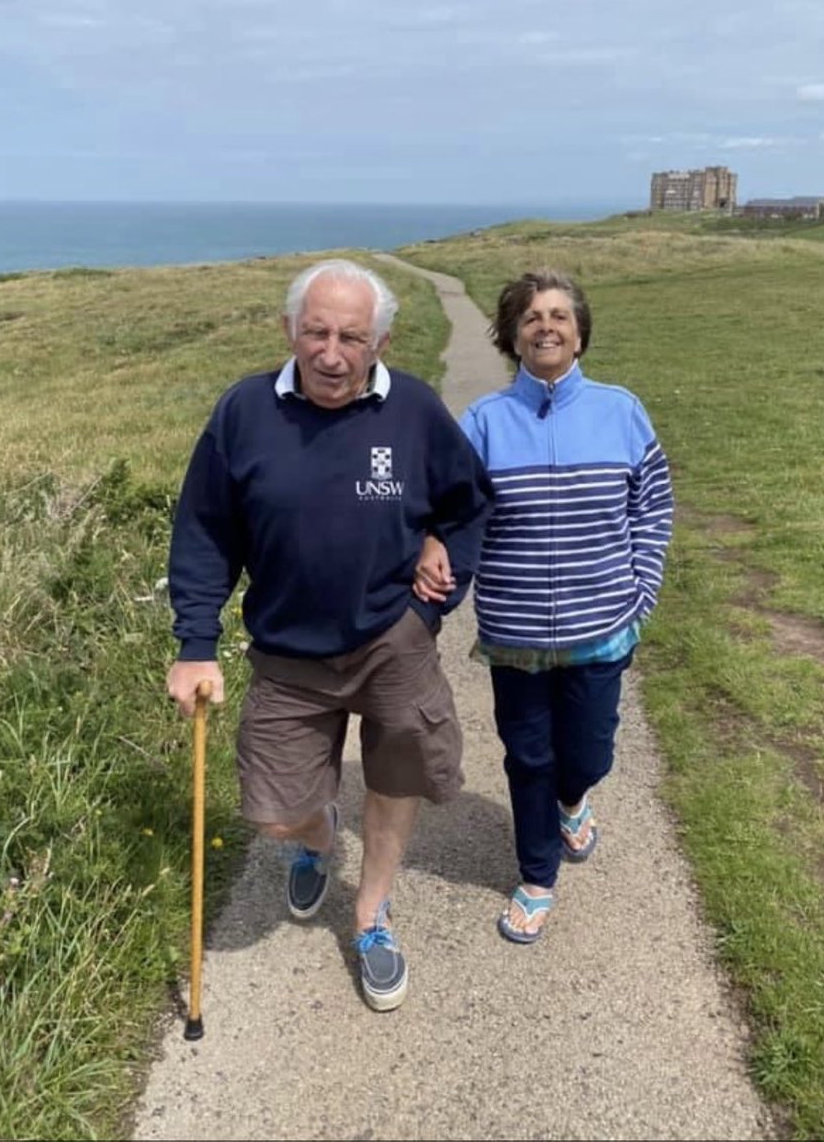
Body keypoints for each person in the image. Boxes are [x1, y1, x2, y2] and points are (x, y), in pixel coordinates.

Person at [166, 258, 493, 1010]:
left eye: (351, 335)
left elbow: (469, 502)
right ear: (289, 331)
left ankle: (371, 913)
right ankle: (319, 839)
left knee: (399, 775)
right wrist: (194, 642)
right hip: (287, 652)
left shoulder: (411, 410)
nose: (331, 352)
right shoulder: (244, 411)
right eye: (315, 331)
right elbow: (205, 533)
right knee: (273, 810)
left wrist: (441, 561)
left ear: (381, 340)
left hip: (391, 638)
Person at [414, 268, 673, 943]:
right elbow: (453, 513)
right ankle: (535, 876)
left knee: (586, 755)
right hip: (515, 635)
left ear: (580, 333)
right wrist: (433, 554)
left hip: (602, 627)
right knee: (526, 756)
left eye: (559, 315)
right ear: (510, 336)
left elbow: (652, 506)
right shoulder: (484, 423)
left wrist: (640, 588)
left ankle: (575, 798)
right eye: (530, 317)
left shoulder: (620, 409)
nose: (546, 326)